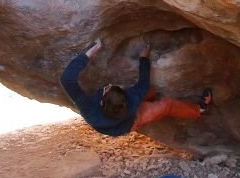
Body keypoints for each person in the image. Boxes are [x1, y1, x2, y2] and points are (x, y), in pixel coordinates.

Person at [59, 39, 213, 136]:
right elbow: (143, 84)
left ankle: (154, 99)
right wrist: (144, 57)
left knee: (152, 92)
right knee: (166, 104)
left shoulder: (87, 107)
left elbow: (66, 79)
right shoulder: (132, 98)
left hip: (115, 119)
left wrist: (88, 54)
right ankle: (199, 110)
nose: (108, 85)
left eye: (109, 87)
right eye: (108, 88)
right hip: (129, 123)